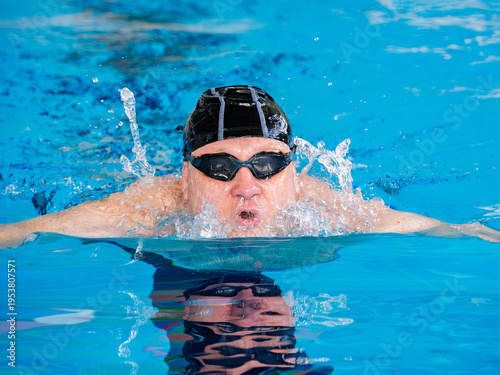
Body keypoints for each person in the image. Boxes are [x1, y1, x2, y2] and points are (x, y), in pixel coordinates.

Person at [0, 85, 498, 247]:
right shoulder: (150, 206)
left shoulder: (317, 201)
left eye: (266, 163)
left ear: (294, 172)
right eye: (219, 166)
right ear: (186, 174)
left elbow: (436, 228)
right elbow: (28, 229)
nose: (246, 186)